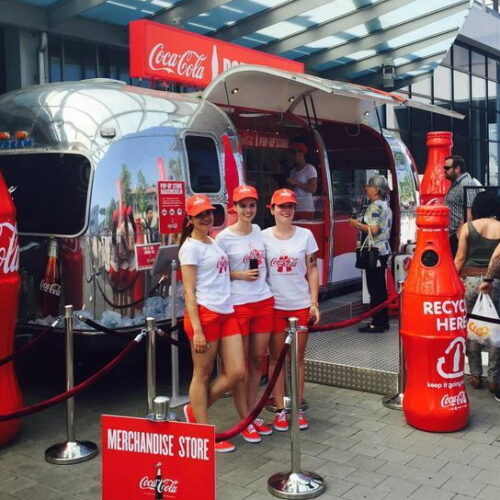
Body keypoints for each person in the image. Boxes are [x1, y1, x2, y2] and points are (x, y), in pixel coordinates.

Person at [179, 194, 245, 453]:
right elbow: (188, 291)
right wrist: (196, 329)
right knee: (202, 374)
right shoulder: (190, 247)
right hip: (204, 315)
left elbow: (220, 274)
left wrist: (240, 274)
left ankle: (195, 410)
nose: (206, 218)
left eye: (209, 213)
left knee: (236, 372)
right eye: (200, 215)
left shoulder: (212, 241)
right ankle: (203, 434)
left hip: (226, 312)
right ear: (190, 219)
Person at [216, 185, 274, 443]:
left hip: (262, 301)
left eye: (252, 205)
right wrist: (238, 274)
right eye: (243, 205)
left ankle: (252, 413)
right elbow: (214, 272)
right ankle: (243, 419)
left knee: (257, 359)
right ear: (234, 208)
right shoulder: (224, 238)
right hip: (238, 305)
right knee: (238, 367)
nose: (248, 210)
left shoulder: (260, 231)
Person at [262, 188, 320, 431]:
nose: (286, 211)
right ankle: (279, 410)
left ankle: (297, 408)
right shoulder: (262, 237)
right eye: (281, 206)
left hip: (299, 304)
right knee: (276, 359)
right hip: (274, 305)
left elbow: (313, 269)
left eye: (290, 206)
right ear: (272, 209)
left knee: (297, 359)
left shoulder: (306, 235)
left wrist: (314, 302)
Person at [454, 191, 500, 394]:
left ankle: (474, 375)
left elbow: (460, 259)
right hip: (496, 282)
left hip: (470, 282)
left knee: (471, 327)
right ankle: (494, 378)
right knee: (496, 331)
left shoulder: (467, 227)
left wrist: (452, 282)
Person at [350, 175, 393, 333]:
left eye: (369, 185)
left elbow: (373, 229)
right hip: (383, 249)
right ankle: (381, 320)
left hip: (373, 250)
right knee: (380, 287)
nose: (366, 188)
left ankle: (378, 322)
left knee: (375, 288)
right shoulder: (385, 205)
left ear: (376, 190)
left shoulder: (374, 206)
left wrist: (356, 224)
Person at [443, 155, 479, 257]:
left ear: (457, 169)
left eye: (447, 168)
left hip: (458, 235)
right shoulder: (457, 183)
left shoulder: (466, 183)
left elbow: (471, 212)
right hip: (453, 235)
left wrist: (461, 233)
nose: (444, 170)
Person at [286, 142, 317, 219]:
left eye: (294, 153)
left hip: (306, 208)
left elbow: (313, 189)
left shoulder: (310, 169)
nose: (293, 156)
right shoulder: (293, 171)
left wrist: (296, 182)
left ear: (301, 154)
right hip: (294, 207)